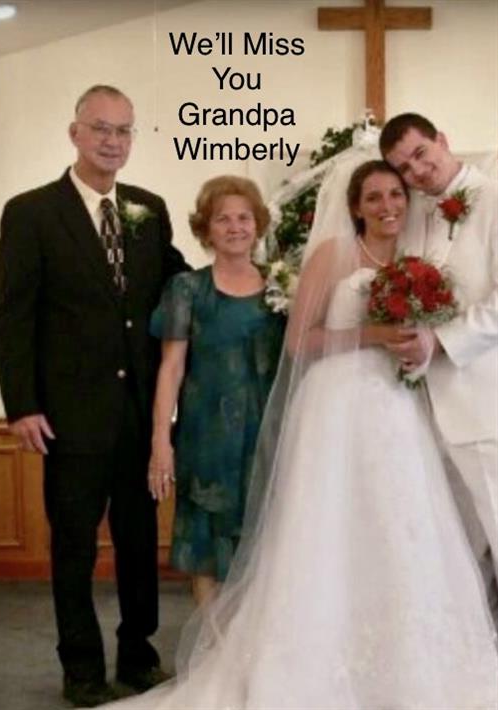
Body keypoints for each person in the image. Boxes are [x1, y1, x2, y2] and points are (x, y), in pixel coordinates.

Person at [103, 161, 498, 709]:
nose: (387, 206)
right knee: (328, 527)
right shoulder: (332, 255)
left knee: (400, 523)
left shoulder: (419, 258)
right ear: (354, 206)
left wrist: (415, 347)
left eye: (395, 194)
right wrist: (374, 334)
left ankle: (409, 656)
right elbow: (298, 342)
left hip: (400, 409)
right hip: (338, 405)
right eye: (373, 197)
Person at [0, 85, 189, 707]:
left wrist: (251, 279)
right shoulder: (30, 212)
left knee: (139, 545)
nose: (112, 140)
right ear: (75, 132)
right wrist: (22, 404)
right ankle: (81, 668)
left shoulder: (148, 209)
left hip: (139, 418)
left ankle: (138, 655)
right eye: (101, 128)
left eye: (124, 130)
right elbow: (13, 316)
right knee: (74, 548)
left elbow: (179, 286)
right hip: (68, 417)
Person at [147, 175, 285, 607]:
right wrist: (160, 442)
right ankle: (213, 643)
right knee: (206, 548)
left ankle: (254, 642)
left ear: (258, 225)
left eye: (244, 218)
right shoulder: (187, 289)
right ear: (206, 229)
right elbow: (171, 368)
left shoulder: (283, 286)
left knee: (266, 541)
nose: (235, 227)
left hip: (268, 435)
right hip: (206, 439)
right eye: (222, 219)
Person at [379, 113, 498, 605]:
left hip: (484, 403)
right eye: (404, 168)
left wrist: (441, 341)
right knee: (459, 549)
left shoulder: (492, 199)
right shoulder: (415, 214)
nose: (417, 171)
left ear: (443, 141)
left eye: (421, 154)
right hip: (427, 407)